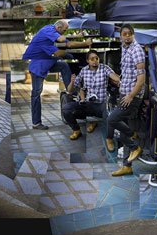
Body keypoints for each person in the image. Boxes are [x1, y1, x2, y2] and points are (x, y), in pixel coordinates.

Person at [22, 19, 92, 130]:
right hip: (38, 68)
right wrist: (84, 43)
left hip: (47, 63)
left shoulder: (51, 29)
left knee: (63, 65)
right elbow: (62, 44)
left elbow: (64, 43)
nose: (64, 32)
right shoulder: (47, 32)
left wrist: (75, 37)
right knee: (36, 94)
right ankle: (36, 123)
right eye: (64, 30)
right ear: (58, 28)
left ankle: (71, 90)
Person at [105, 24, 146, 176]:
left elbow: (141, 79)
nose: (127, 36)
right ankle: (127, 166)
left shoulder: (136, 50)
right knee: (123, 134)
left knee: (111, 119)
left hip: (131, 97)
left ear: (133, 35)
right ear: (120, 36)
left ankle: (135, 146)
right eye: (124, 34)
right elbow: (129, 73)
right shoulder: (125, 48)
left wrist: (130, 96)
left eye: (130, 34)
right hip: (124, 94)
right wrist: (120, 82)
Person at [61, 50, 120, 140]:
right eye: (92, 59)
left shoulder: (104, 68)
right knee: (66, 108)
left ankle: (110, 138)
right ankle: (76, 130)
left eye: (97, 58)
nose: (95, 60)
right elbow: (70, 90)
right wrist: (72, 82)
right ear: (88, 60)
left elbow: (113, 76)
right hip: (88, 104)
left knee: (110, 115)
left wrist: (120, 80)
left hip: (102, 105)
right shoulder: (84, 70)